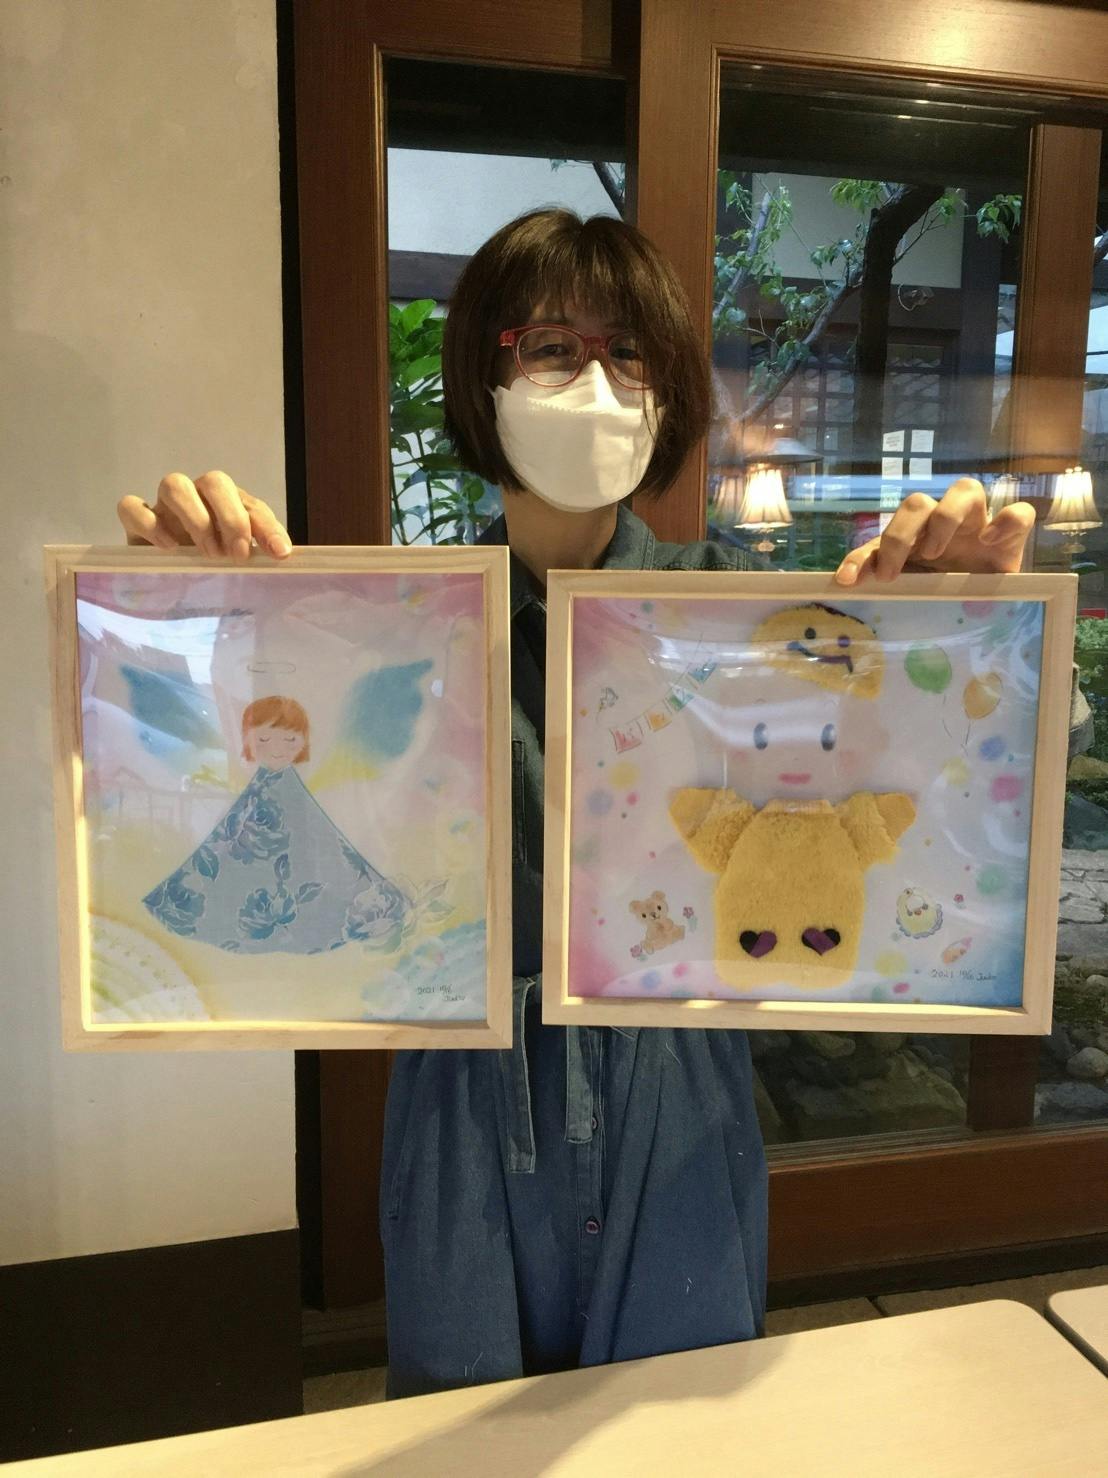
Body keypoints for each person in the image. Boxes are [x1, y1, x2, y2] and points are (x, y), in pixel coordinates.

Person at [118, 208, 1042, 1398]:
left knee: (670, 1430)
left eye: (628, 352)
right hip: (465, 1080)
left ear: (667, 394)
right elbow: (231, 787)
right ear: (486, 376)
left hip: (679, 1072)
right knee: (469, 1427)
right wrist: (193, 612)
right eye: (551, 346)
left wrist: (964, 648)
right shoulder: (388, 628)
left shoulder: (735, 614)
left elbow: (901, 795)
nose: (594, 382)